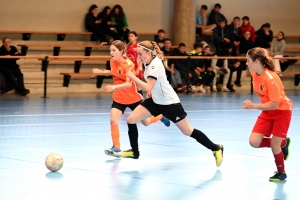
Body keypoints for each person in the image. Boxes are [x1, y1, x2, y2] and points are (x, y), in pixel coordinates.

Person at [115, 40, 224, 167]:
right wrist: (152, 91)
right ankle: (134, 152)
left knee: (187, 131)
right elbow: (153, 86)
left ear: (149, 52)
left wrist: (132, 76)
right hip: (156, 100)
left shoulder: (155, 65)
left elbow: (148, 87)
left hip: (169, 103)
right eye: (138, 54)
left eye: (140, 54)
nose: (138, 57)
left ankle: (216, 148)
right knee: (131, 119)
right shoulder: (148, 62)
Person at [104, 40, 170, 157]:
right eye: (110, 50)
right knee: (113, 120)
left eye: (114, 50)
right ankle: (116, 147)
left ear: (121, 51)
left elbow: (129, 84)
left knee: (146, 122)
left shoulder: (128, 64)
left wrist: (113, 86)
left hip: (133, 98)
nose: (111, 52)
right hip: (119, 98)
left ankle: (161, 116)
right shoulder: (112, 62)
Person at [244, 47, 292, 181]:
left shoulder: (271, 78)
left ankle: (281, 172)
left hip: (281, 112)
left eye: (248, 60)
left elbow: (275, 104)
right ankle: (283, 142)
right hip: (267, 112)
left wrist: (253, 106)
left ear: (257, 61)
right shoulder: (254, 73)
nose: (246, 63)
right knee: (254, 142)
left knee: (274, 146)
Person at [126, 31, 143, 95]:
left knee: (138, 85)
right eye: (129, 36)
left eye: (132, 36)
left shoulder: (139, 46)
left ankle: (141, 101)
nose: (130, 38)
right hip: (130, 68)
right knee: (130, 85)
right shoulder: (127, 46)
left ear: (136, 37)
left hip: (137, 67)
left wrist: (138, 69)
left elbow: (142, 58)